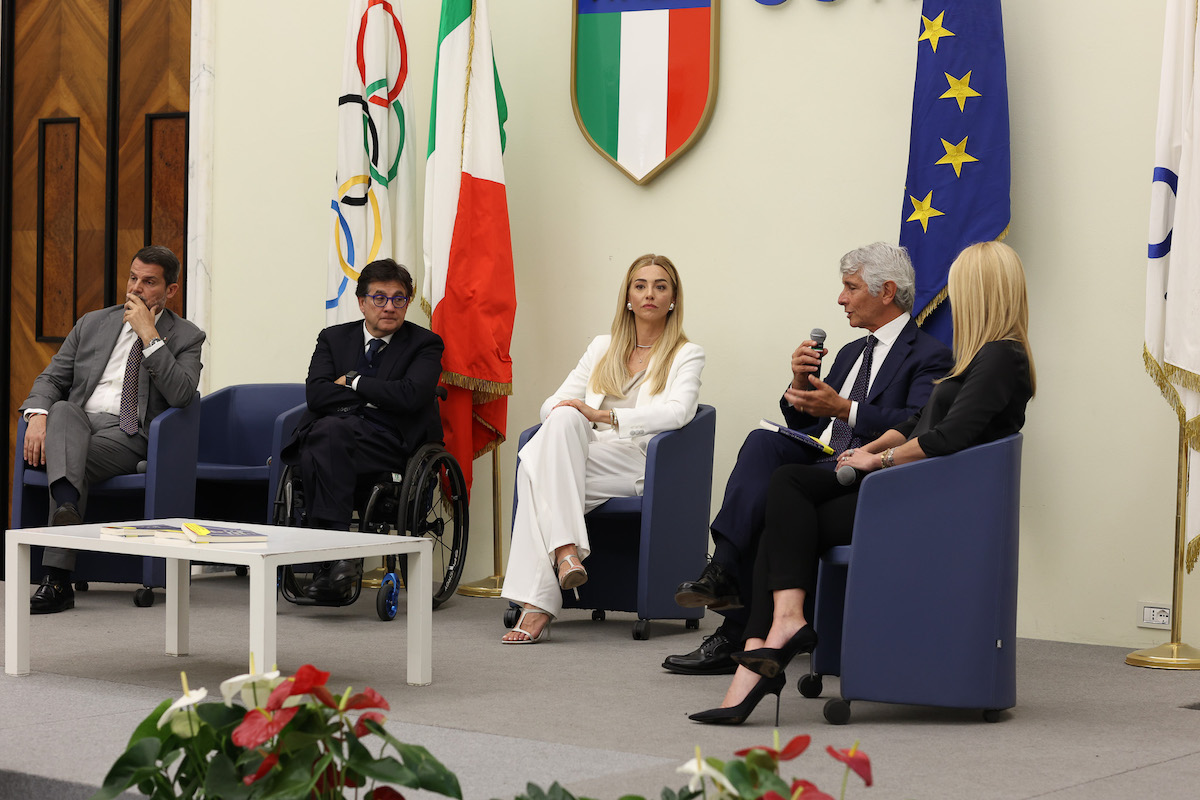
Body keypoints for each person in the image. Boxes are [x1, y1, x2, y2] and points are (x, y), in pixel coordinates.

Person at [689, 240, 1036, 725]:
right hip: (910, 488)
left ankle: (766, 642)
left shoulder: (1000, 356)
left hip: (927, 502)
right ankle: (768, 639)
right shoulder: (978, 358)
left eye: (960, 286)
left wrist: (882, 458)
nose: (952, 296)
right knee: (785, 490)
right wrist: (871, 448)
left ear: (982, 291)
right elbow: (919, 421)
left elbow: (949, 436)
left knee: (786, 499)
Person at [664, 243, 952, 675]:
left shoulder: (929, 354)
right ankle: (722, 567)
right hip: (821, 457)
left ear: (887, 291)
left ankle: (735, 631)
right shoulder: (854, 351)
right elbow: (807, 420)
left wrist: (844, 409)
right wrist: (799, 381)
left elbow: (915, 424)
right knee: (763, 443)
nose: (841, 299)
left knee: (774, 498)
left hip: (867, 468)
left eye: (850, 288)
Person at [500, 254, 705, 643]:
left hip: (641, 460)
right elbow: (552, 404)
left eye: (660, 286)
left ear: (673, 299)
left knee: (534, 470)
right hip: (586, 453)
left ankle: (542, 596)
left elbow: (679, 413)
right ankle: (564, 556)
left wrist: (604, 417)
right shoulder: (601, 347)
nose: (649, 294)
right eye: (640, 285)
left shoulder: (686, 353)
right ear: (627, 296)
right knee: (561, 419)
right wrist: (573, 413)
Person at [19, 245, 206, 614]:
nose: (136, 289)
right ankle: (67, 509)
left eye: (149, 282)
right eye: (133, 278)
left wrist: (150, 336)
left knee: (67, 464)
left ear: (170, 290)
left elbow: (183, 394)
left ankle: (57, 578)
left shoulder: (187, 336)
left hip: (127, 434)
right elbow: (52, 377)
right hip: (74, 424)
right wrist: (37, 415)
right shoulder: (93, 322)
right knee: (62, 409)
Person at [281, 258, 443, 602]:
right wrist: (379, 393)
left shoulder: (425, 343)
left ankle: (332, 557)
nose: (390, 307)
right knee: (327, 435)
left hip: (390, 442)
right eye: (380, 298)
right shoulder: (333, 338)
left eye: (399, 298)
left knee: (323, 437)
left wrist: (354, 381)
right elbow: (317, 393)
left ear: (408, 302)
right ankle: (340, 557)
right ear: (361, 302)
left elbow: (412, 396)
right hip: (337, 435)